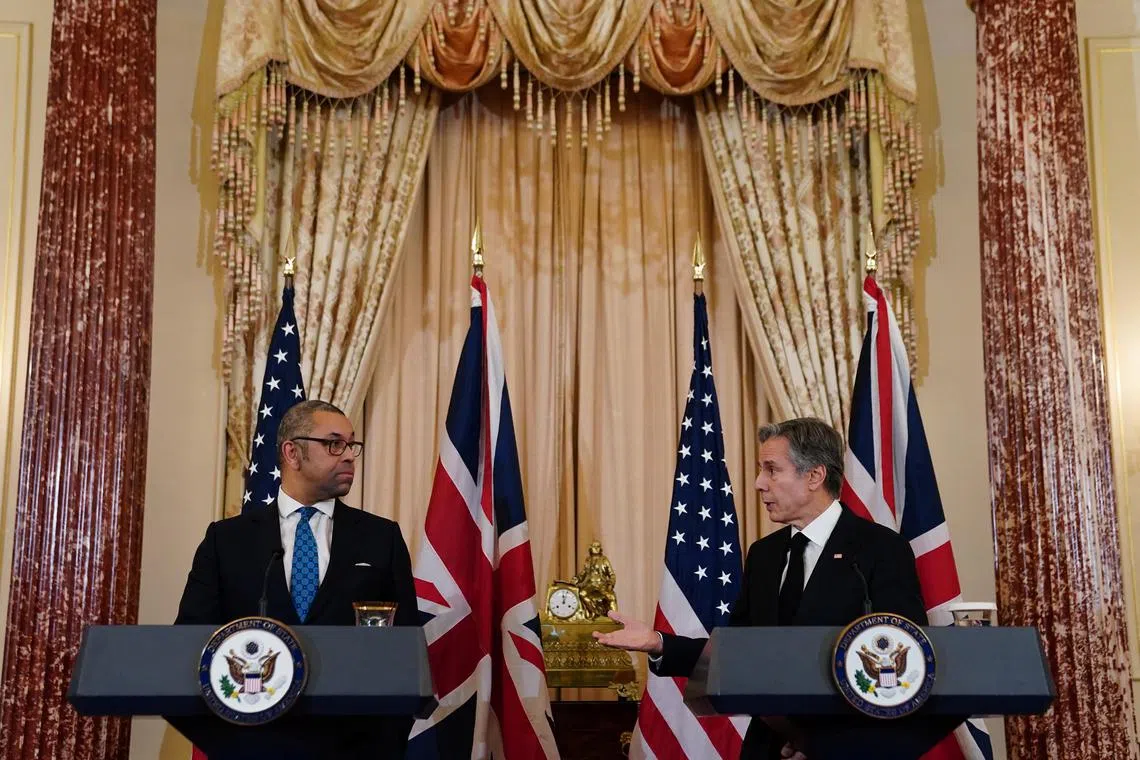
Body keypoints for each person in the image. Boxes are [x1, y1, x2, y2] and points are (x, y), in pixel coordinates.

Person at [594, 417, 928, 759]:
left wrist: (824, 742)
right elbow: (738, 652)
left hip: (848, 749)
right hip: (768, 746)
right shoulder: (765, 554)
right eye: (761, 470)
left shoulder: (880, 550)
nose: (759, 484)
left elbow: (905, 662)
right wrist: (658, 642)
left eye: (772, 470)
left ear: (814, 476)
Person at [176, 399, 418, 757]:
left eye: (351, 445)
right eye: (334, 444)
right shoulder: (226, 541)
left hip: (357, 747)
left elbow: (406, 650)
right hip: (251, 744)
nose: (348, 456)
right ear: (292, 453)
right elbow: (191, 643)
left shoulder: (382, 538)